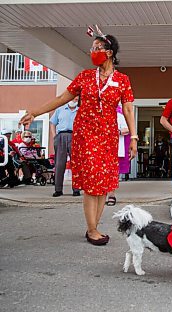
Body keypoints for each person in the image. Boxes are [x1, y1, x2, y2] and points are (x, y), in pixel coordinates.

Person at [19, 33, 138, 246]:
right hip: (85, 135)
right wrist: (35, 113)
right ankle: (92, 229)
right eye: (92, 48)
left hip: (108, 137)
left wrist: (133, 137)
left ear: (109, 53)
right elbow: (61, 98)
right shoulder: (84, 77)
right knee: (92, 182)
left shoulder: (122, 80)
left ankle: (94, 227)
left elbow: (128, 109)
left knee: (103, 185)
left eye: (96, 48)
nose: (92, 52)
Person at [50, 96, 80, 197]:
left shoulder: (80, 110)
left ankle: (76, 189)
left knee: (76, 163)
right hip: (61, 135)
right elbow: (53, 123)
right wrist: (55, 136)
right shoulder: (60, 109)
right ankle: (58, 189)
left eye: (77, 99)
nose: (75, 100)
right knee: (59, 163)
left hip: (75, 136)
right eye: (74, 98)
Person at [106, 105, 130, 206]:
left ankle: (111, 195)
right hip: (99, 149)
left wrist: (116, 132)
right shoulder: (98, 115)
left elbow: (126, 130)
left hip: (115, 149)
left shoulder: (119, 116)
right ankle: (101, 195)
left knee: (112, 173)